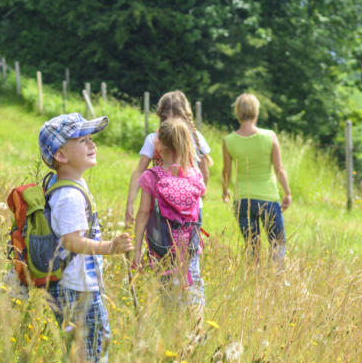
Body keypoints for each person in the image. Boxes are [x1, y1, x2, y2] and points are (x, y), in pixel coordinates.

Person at [38, 113, 133, 363]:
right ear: (61, 155)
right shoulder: (68, 194)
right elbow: (71, 241)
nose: (93, 145)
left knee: (87, 350)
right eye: (83, 140)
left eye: (91, 139)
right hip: (75, 289)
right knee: (92, 353)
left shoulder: (72, 184)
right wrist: (109, 247)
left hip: (78, 284)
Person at [133, 117, 206, 308]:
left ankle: (172, 331)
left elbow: (142, 215)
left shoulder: (152, 176)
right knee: (194, 287)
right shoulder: (195, 175)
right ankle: (196, 330)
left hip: (161, 249)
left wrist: (137, 249)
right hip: (189, 247)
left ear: (161, 145)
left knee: (167, 294)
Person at [125, 90, 211, 226]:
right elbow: (139, 171)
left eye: (176, 117)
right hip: (165, 207)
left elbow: (204, 171)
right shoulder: (153, 139)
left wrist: (199, 195)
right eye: (166, 118)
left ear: (185, 117)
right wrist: (130, 202)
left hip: (180, 207)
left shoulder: (195, 138)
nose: (171, 122)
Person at [222, 93, 292, 260]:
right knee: (278, 244)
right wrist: (287, 193)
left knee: (252, 247)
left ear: (237, 112)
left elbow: (226, 171)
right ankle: (277, 281)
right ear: (257, 111)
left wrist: (225, 191)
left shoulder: (229, 140)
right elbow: (279, 169)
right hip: (268, 198)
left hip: (243, 200)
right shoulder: (270, 136)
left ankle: (254, 281)